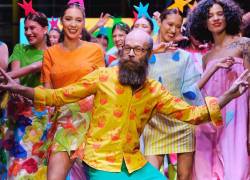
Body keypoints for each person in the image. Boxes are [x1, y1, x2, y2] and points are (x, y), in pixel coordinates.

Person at [0, 29, 249, 180]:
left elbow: (191, 114)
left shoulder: (154, 91)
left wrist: (227, 95)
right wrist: (21, 88)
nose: (130, 53)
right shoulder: (103, 77)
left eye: (137, 49)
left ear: (149, 55)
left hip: (133, 162)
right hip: (100, 161)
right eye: (127, 48)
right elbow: (59, 96)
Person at [40, 2, 105, 179]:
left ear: (84, 23)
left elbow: (104, 87)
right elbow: (48, 92)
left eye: (78, 20)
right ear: (62, 21)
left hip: (91, 121)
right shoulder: (50, 53)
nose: (73, 24)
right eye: (69, 19)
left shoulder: (95, 50)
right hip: (64, 122)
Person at [188, 0, 250, 179]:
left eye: (220, 13)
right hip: (210, 121)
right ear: (203, 22)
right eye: (209, 16)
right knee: (205, 171)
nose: (215, 18)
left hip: (237, 118)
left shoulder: (244, 44)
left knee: (236, 171)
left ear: (228, 16)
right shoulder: (207, 57)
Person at [3, 12, 49, 179]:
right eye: (26, 28)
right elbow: (15, 74)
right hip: (17, 114)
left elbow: (36, 71)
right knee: (16, 164)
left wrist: (8, 81)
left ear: (45, 29)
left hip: (40, 116)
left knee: (38, 163)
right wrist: (15, 86)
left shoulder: (52, 54)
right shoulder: (19, 48)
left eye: (33, 28)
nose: (28, 32)